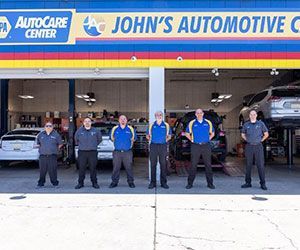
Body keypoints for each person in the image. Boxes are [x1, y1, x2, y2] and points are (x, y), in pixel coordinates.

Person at [185, 109, 215, 189]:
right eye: (197, 113)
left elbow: (212, 133)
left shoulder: (208, 123)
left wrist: (208, 139)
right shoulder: (192, 123)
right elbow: (187, 133)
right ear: (195, 114)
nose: (199, 114)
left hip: (206, 146)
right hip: (195, 146)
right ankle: (190, 183)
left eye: (200, 113)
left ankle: (210, 184)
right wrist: (191, 139)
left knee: (208, 165)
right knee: (193, 165)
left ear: (203, 113)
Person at [241, 110, 269, 190]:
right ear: (249, 116)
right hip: (249, 146)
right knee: (248, 165)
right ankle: (248, 182)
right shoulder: (246, 124)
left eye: (254, 114)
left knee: (260, 165)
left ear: (256, 115)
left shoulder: (261, 124)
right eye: (251, 114)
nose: (252, 116)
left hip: (258, 146)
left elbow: (266, 134)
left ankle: (263, 183)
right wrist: (248, 140)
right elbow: (242, 134)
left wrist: (261, 140)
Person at [74, 117, 102, 189]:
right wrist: (83, 146)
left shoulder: (96, 131)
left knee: (93, 168)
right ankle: (80, 183)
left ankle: (94, 183)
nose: (87, 122)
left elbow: (99, 140)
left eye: (89, 121)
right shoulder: (79, 131)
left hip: (92, 152)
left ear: (91, 123)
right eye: (85, 121)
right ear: (83, 123)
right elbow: (76, 139)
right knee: (81, 168)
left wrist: (93, 145)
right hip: (82, 152)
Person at [109, 115, 136, 188]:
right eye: (121, 119)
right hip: (117, 152)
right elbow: (111, 138)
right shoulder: (115, 129)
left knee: (129, 167)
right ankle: (114, 182)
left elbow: (134, 138)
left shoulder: (130, 129)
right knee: (116, 168)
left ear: (126, 120)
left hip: (127, 152)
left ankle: (131, 182)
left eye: (124, 119)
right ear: (119, 120)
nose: (123, 120)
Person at [146, 111, 172, 189]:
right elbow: (147, 136)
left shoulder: (166, 125)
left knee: (163, 164)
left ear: (162, 116)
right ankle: (152, 183)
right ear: (155, 116)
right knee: (153, 164)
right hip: (153, 146)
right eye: (157, 115)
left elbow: (169, 136)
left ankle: (163, 183)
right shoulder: (151, 125)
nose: (159, 116)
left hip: (163, 146)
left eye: (160, 115)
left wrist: (164, 141)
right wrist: (150, 139)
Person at [36, 122, 63, 188]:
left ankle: (55, 183)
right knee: (42, 171)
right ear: (44, 127)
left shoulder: (56, 135)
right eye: (47, 126)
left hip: (52, 156)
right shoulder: (40, 135)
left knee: (53, 170)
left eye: (50, 126)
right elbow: (38, 144)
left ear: (52, 127)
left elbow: (60, 144)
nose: (48, 127)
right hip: (43, 156)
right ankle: (40, 183)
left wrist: (54, 149)